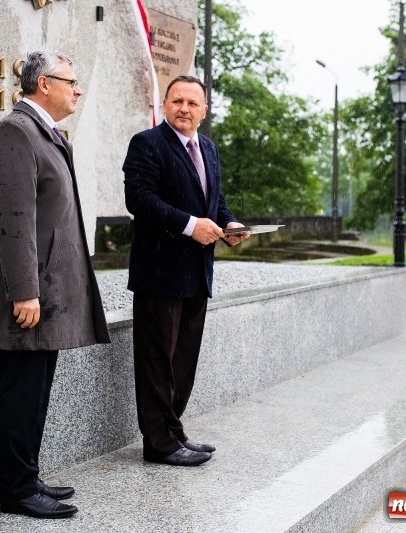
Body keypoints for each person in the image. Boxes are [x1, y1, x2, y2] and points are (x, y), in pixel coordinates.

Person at [0, 51, 110, 519]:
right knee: (22, 392)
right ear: (44, 84)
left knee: (36, 392)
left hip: (48, 297)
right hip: (30, 298)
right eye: (71, 82)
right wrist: (24, 291)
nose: (77, 90)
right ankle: (15, 490)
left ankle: (28, 477)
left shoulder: (41, 132)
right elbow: (13, 220)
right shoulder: (15, 132)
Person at [122, 75, 249, 467]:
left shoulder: (207, 147)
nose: (185, 108)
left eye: (193, 103)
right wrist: (192, 225)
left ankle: (173, 433)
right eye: (178, 101)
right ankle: (158, 444)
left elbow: (215, 199)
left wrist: (228, 224)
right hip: (159, 274)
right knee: (158, 361)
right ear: (165, 104)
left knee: (183, 361)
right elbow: (139, 200)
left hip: (198, 273)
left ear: (204, 111)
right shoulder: (147, 144)